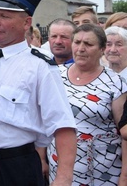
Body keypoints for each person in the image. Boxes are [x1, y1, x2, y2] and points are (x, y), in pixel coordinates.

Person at [0, 0, 77, 186]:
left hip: (15, 166)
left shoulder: (40, 66)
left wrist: (63, 178)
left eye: (4, 16)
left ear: (26, 23)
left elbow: (63, 127)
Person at [47, 24, 127, 185]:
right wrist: (41, 158)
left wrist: (124, 177)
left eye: (88, 44)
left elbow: (124, 133)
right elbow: (43, 121)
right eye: (77, 42)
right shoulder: (55, 74)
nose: (81, 49)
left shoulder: (115, 82)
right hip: (60, 165)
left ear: (102, 49)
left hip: (104, 169)